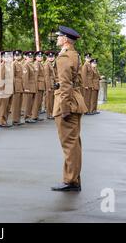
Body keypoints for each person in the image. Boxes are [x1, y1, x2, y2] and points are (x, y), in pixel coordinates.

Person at [51, 26, 87, 192]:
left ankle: (71, 180)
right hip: (75, 100)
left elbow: (65, 85)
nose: (57, 38)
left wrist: (64, 108)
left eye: (59, 36)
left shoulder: (65, 56)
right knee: (74, 143)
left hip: (67, 103)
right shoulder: (74, 54)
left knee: (69, 144)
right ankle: (73, 178)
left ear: (65, 39)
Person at [0, 51, 14, 128]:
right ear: (3, 58)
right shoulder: (3, 66)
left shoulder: (9, 66)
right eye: (6, 57)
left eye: (9, 57)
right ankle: (2, 122)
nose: (8, 59)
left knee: (7, 106)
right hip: (4, 90)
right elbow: (0, 79)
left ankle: (5, 120)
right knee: (3, 107)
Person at [22, 51, 37, 123]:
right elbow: (25, 78)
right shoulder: (26, 65)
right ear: (26, 57)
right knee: (28, 103)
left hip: (33, 87)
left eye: (31, 57)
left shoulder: (31, 65)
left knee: (31, 103)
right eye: (29, 57)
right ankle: (27, 117)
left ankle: (29, 116)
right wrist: (26, 88)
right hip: (29, 87)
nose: (31, 58)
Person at [32, 51, 45, 121]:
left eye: (41, 56)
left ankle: (37, 115)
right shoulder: (36, 64)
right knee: (36, 101)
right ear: (35, 57)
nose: (41, 57)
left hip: (41, 85)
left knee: (39, 101)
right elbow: (36, 76)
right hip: (38, 85)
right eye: (39, 56)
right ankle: (34, 115)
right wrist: (36, 86)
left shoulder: (40, 64)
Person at [11, 50, 24, 125]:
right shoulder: (13, 64)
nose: (17, 56)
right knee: (15, 104)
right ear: (14, 56)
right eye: (16, 55)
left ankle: (18, 119)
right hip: (16, 86)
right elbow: (12, 76)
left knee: (19, 103)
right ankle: (15, 120)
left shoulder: (20, 64)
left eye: (18, 55)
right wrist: (13, 87)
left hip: (20, 85)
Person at [44, 51, 57, 120]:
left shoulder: (50, 64)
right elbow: (47, 76)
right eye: (50, 57)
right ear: (47, 57)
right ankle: (49, 114)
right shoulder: (47, 64)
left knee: (52, 100)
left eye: (52, 57)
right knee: (49, 100)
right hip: (49, 85)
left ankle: (51, 113)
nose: (51, 58)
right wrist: (48, 86)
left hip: (52, 84)